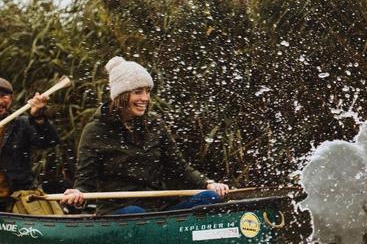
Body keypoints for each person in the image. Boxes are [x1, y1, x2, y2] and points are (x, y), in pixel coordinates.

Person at [62, 57, 229, 214]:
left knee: (210, 198)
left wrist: (208, 183)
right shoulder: (95, 131)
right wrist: (78, 194)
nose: (145, 98)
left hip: (158, 207)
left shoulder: (155, 124)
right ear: (121, 95)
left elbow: (179, 167)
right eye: (138, 92)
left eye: (147, 91)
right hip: (120, 210)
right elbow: (85, 182)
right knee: (136, 213)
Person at [0, 77, 59, 211]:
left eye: (4, 96)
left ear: (11, 98)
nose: (0, 101)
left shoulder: (22, 123)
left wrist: (38, 117)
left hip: (17, 198)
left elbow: (49, 141)